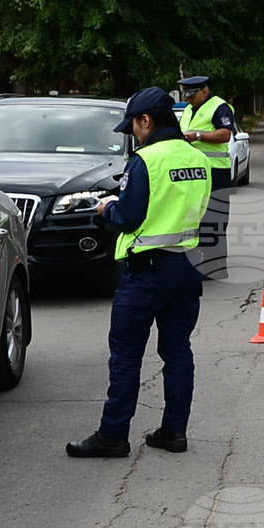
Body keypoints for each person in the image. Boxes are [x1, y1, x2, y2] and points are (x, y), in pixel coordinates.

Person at [67, 88, 213, 459]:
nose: (133, 133)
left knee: (127, 355)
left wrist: (108, 209)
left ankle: (113, 436)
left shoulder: (145, 160)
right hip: (187, 267)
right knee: (178, 352)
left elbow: (130, 217)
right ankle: (174, 432)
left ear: (146, 120)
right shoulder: (198, 159)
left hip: (146, 273)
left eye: (133, 125)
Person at [178, 75, 238, 280]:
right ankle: (201, 262)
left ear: (204, 90)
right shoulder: (188, 109)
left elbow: (225, 134)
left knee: (215, 217)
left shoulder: (219, 107)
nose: (188, 99)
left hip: (215, 170)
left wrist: (197, 135)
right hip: (193, 172)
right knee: (196, 217)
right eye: (186, 95)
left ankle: (217, 266)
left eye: (192, 95)